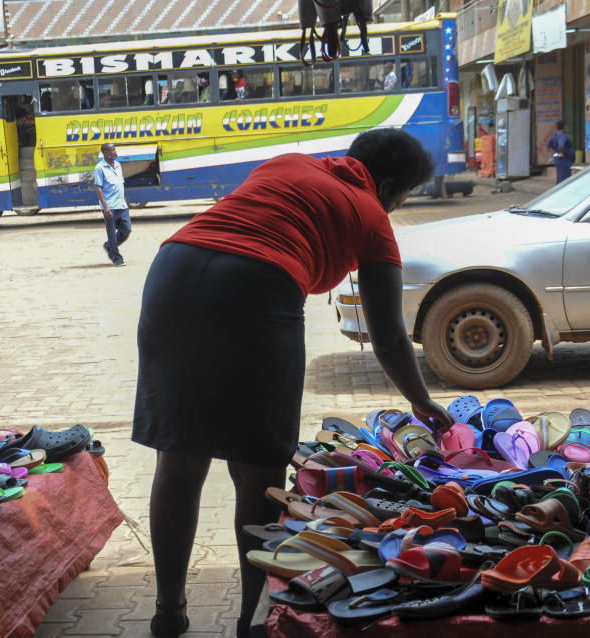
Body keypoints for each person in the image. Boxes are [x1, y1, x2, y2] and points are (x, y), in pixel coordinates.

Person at [132, 128, 455, 638]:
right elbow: (389, 336)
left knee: (178, 457)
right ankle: (253, 622)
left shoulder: (288, 163)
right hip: (258, 286)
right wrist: (421, 401)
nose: (394, 209)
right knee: (258, 473)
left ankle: (167, 612)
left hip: (174, 270)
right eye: (401, 198)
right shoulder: (371, 215)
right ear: (387, 185)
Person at [93, 142, 130, 266]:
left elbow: (121, 184)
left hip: (122, 205)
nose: (116, 152)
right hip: (110, 207)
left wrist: (125, 201)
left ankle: (109, 246)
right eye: (113, 150)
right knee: (111, 234)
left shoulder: (118, 165)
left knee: (126, 229)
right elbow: (98, 188)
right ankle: (116, 258)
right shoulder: (100, 168)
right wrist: (105, 207)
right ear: (106, 153)